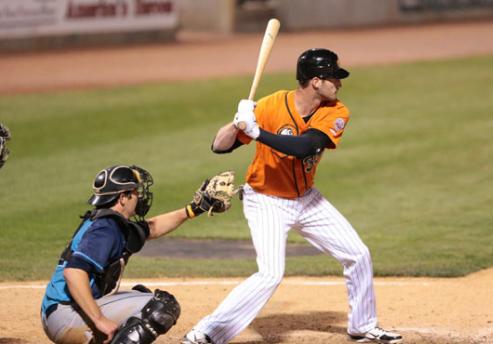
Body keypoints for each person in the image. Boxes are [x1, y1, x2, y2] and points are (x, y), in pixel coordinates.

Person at [183, 48, 402, 344]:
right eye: (333, 78)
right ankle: (207, 332)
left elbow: (305, 147)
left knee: (358, 254)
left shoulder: (336, 111)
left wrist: (257, 132)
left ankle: (363, 325)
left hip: (307, 199)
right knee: (271, 274)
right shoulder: (271, 105)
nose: (339, 83)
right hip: (266, 200)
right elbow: (219, 147)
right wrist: (237, 123)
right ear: (315, 81)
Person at [41, 165, 236, 344]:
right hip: (65, 315)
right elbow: (73, 272)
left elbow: (152, 228)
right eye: (134, 192)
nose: (139, 197)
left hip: (61, 312)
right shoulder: (105, 229)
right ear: (122, 197)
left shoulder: (111, 222)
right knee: (160, 307)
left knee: (141, 295)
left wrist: (194, 209)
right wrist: (100, 320)